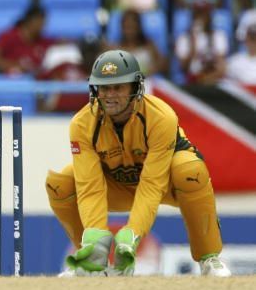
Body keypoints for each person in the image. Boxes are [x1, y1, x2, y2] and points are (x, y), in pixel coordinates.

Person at [45, 49, 231, 277]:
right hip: (116, 185)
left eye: (118, 86)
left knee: (190, 170)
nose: (110, 95)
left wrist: (133, 233)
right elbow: (89, 187)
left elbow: (152, 184)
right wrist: (95, 237)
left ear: (135, 87)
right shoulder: (81, 124)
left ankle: (209, 259)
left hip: (165, 185)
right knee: (61, 183)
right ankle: (93, 259)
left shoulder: (161, 117)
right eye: (104, 87)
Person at [0, 6, 53, 75]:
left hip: (34, 83)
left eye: (43, 24)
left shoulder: (44, 41)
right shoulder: (8, 37)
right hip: (9, 81)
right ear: (29, 21)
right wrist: (14, 66)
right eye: (39, 23)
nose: (41, 27)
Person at [174, 3, 228, 84]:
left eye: (203, 14)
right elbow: (183, 67)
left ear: (209, 16)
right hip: (192, 79)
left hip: (213, 75)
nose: (201, 17)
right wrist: (193, 47)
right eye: (197, 14)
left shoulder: (218, 36)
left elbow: (221, 63)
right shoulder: (184, 38)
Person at [110, 9, 168, 77]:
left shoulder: (149, 45)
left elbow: (164, 66)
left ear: (139, 26)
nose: (130, 31)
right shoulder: (115, 48)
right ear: (122, 27)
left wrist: (153, 69)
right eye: (127, 27)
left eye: (133, 26)